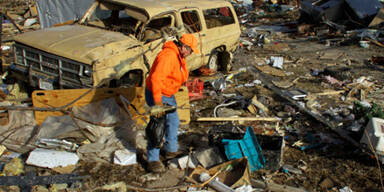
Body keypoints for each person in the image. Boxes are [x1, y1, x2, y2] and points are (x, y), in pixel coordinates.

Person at [145, 34, 199, 173]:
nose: (191, 53)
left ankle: (170, 150)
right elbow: (156, 79)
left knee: (173, 121)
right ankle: (152, 160)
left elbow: (177, 74)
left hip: (168, 94)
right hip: (158, 94)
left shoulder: (179, 56)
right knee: (157, 127)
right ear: (184, 47)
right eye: (190, 50)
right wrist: (157, 104)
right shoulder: (168, 55)